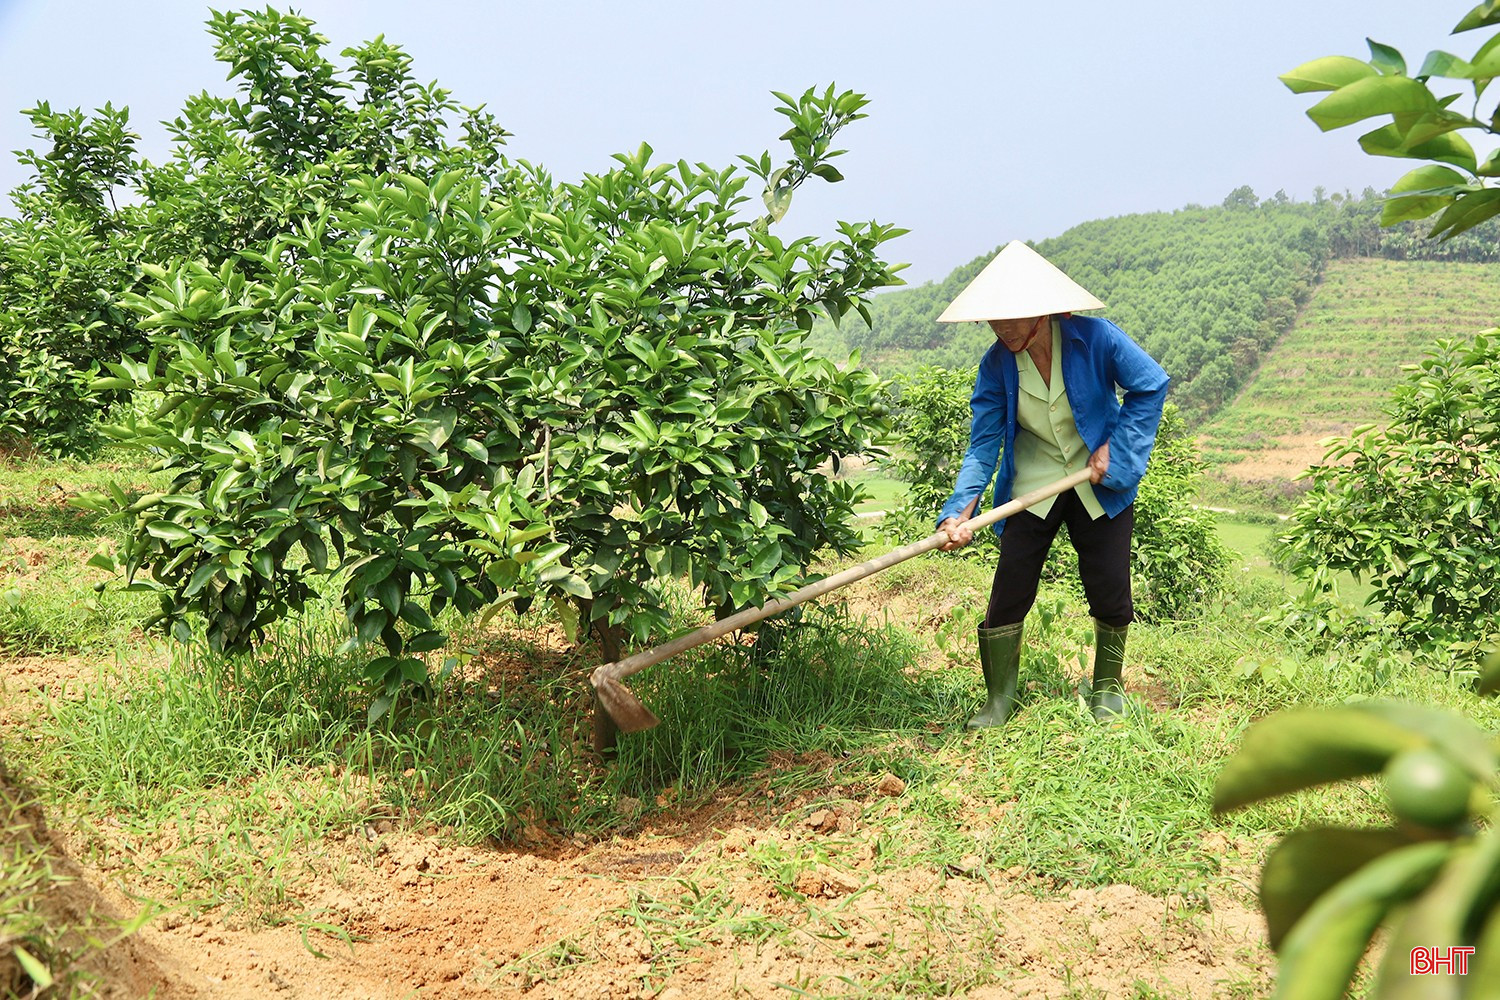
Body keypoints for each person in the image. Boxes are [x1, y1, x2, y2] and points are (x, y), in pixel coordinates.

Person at [935, 241, 1169, 726]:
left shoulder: (1096, 338)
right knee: (1010, 588)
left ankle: (1106, 688)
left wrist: (1119, 449)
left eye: (1011, 317)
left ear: (1041, 312)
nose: (1001, 328)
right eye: (993, 320)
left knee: (1108, 584)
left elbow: (1151, 384)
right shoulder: (996, 365)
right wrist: (961, 511)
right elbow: (982, 446)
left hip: (1097, 482)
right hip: (1032, 487)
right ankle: (999, 699)